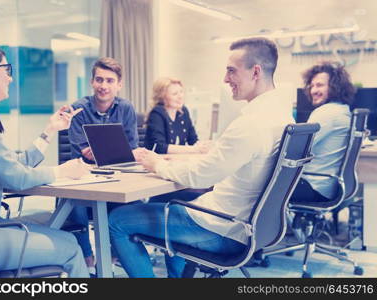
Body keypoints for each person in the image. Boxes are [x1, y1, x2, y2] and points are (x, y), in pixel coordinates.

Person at [108, 37, 294, 278]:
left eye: (231, 71)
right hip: (248, 227)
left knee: (118, 220)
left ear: (255, 72)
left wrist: (158, 164)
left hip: (220, 228)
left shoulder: (251, 124)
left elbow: (201, 175)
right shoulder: (284, 116)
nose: (225, 79)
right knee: (177, 202)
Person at [0, 42, 90, 277]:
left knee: (60, 235)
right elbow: (16, 177)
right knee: (71, 246)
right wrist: (64, 171)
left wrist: (49, 131)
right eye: (6, 69)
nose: (10, 78)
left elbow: (12, 163)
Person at [66, 57, 143, 274]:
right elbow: (85, 153)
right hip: (83, 177)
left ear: (119, 84)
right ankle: (88, 260)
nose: (104, 86)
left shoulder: (126, 108)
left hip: (117, 175)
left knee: (130, 202)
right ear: (92, 82)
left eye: (110, 80)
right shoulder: (78, 109)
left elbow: (131, 148)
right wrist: (104, 152)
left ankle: (112, 256)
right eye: (99, 79)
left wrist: (107, 152)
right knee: (76, 207)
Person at [290, 62, 356, 204]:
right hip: (328, 187)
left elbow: (295, 150)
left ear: (335, 87)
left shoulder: (326, 113)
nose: (313, 90)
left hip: (314, 186)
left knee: (259, 187)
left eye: (319, 85)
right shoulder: (342, 110)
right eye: (312, 86)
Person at [144, 77, 210, 154]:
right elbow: (160, 147)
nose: (180, 97)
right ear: (162, 97)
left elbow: (193, 140)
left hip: (175, 161)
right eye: (175, 94)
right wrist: (195, 149)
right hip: (156, 161)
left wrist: (202, 145)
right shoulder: (156, 114)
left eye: (181, 92)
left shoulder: (183, 111)